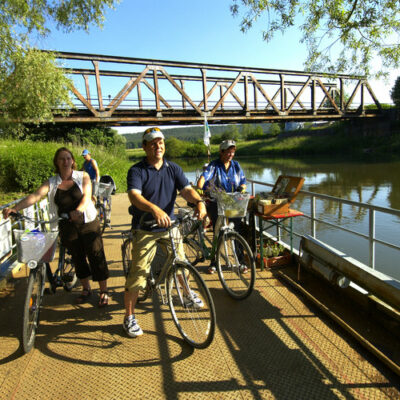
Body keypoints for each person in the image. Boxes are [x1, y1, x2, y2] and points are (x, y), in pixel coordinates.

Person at [123, 127, 207, 338]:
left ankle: (186, 294)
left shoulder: (173, 168)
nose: (157, 145)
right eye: (152, 142)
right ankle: (129, 317)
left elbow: (186, 189)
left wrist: (198, 201)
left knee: (181, 262)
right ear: (144, 147)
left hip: (169, 225)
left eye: (160, 142)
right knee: (138, 274)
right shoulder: (137, 170)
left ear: (164, 145)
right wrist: (154, 208)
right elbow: (134, 196)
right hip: (146, 228)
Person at [2, 147, 110, 307]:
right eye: (62, 159)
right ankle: (86, 289)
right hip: (66, 224)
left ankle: (103, 291)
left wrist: (78, 211)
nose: (65, 161)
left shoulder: (83, 176)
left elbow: (87, 196)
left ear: (73, 161)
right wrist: (15, 209)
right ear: (57, 162)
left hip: (87, 222)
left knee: (96, 254)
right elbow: (35, 196)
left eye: (68, 158)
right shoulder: (52, 182)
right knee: (78, 257)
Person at [197, 139, 247, 273]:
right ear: (221, 152)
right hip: (216, 201)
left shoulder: (236, 165)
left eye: (232, 151)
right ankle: (214, 262)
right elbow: (203, 177)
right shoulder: (214, 165)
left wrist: (242, 188)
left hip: (232, 200)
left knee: (236, 231)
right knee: (217, 232)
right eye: (228, 151)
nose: (230, 154)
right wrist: (200, 188)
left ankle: (241, 262)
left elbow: (243, 181)